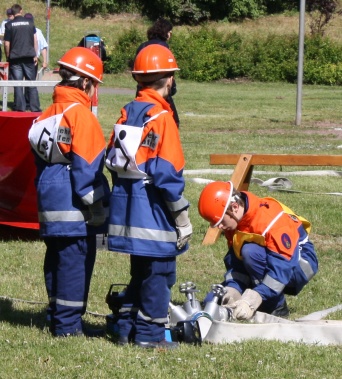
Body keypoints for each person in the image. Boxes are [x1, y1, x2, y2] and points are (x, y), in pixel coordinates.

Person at [105, 44, 192, 349]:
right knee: (160, 272)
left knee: (140, 272)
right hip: (153, 210)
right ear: (169, 78)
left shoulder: (128, 111)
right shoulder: (163, 118)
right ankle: (150, 336)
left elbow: (112, 158)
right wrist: (181, 216)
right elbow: (167, 174)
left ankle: (126, 328)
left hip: (126, 207)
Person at [28, 47, 110, 337]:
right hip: (74, 207)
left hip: (48, 202)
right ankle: (68, 326)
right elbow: (86, 173)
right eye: (94, 85)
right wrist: (98, 210)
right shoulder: (82, 117)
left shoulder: (45, 115)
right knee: (74, 264)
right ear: (86, 83)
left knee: (56, 260)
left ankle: (55, 316)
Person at [198, 181, 318, 320]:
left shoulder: (271, 221)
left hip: (297, 265)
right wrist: (233, 290)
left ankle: (276, 305)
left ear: (235, 207)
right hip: (272, 263)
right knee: (212, 299)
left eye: (221, 222)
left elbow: (281, 271)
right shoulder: (236, 221)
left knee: (251, 252)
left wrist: (255, 298)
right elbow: (236, 262)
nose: (220, 228)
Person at [135, 18, 180, 127]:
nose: (170, 34)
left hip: (142, 89)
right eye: (170, 32)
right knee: (173, 122)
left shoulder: (142, 46)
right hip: (159, 89)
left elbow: (135, 70)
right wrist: (172, 88)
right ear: (165, 32)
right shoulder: (163, 47)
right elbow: (168, 70)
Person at [4, 4, 41, 112]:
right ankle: (35, 108)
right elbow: (35, 40)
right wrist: (35, 54)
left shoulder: (9, 25)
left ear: (13, 12)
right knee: (31, 82)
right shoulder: (30, 23)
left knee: (18, 83)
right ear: (21, 11)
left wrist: (8, 56)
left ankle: (20, 108)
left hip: (15, 57)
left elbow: (7, 43)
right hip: (29, 56)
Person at [23, 13, 48, 109]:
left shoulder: (37, 31)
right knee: (30, 82)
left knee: (29, 82)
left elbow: (43, 47)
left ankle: (27, 103)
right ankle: (30, 103)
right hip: (32, 58)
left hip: (30, 59)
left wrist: (45, 60)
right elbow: (42, 46)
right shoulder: (35, 31)